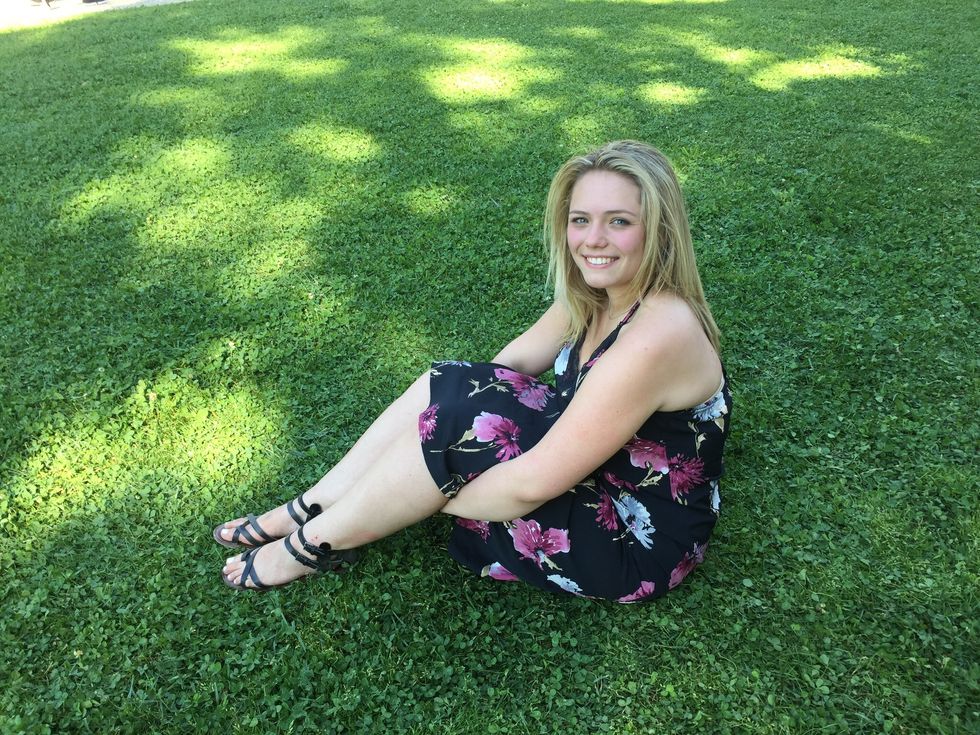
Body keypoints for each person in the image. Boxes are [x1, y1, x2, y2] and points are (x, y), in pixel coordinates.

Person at [215, 140, 731, 601]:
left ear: (658, 230)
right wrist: (429, 444)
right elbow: (504, 368)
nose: (592, 239)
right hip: (592, 464)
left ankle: (309, 544)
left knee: (451, 436)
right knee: (454, 383)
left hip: (631, 537)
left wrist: (416, 494)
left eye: (618, 221)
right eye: (580, 220)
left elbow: (532, 485)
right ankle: (311, 506)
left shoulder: (658, 335)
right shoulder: (596, 294)